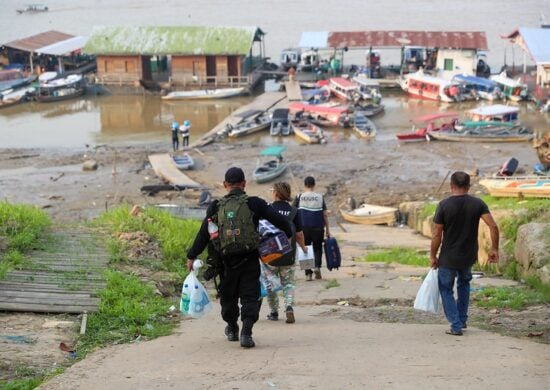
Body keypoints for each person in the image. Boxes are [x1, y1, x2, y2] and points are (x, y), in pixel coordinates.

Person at [186, 167, 292, 348]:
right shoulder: (255, 203)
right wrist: (288, 235)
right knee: (250, 295)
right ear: (244, 184)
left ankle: (232, 327)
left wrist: (191, 255)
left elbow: (204, 233)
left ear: (225, 185)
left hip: (225, 261)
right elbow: (282, 222)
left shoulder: (216, 206)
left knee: (228, 297)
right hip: (249, 258)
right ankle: (247, 332)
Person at [430, 171, 499, 336]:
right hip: (468, 255)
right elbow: (493, 226)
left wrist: (433, 256)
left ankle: (456, 325)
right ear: (469, 186)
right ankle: (461, 318)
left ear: (451, 186)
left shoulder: (444, 205)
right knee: (464, 284)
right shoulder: (478, 204)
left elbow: (437, 234)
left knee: (446, 289)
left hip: (449, 256)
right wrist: (494, 249)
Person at [265, 182, 307, 324]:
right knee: (288, 283)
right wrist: (304, 248)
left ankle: (274, 311)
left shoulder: (268, 209)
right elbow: (300, 234)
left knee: (270, 284)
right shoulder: (294, 211)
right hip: (288, 253)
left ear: (276, 193)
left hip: (270, 254)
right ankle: (289, 307)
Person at [292, 176, 330, 281]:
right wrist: (328, 230)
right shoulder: (320, 197)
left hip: (303, 227)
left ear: (304, 185)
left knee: (305, 249)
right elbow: (325, 214)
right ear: (314, 185)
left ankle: (308, 274)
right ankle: (317, 267)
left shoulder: (299, 196)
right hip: (318, 227)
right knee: (317, 248)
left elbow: (292, 212)